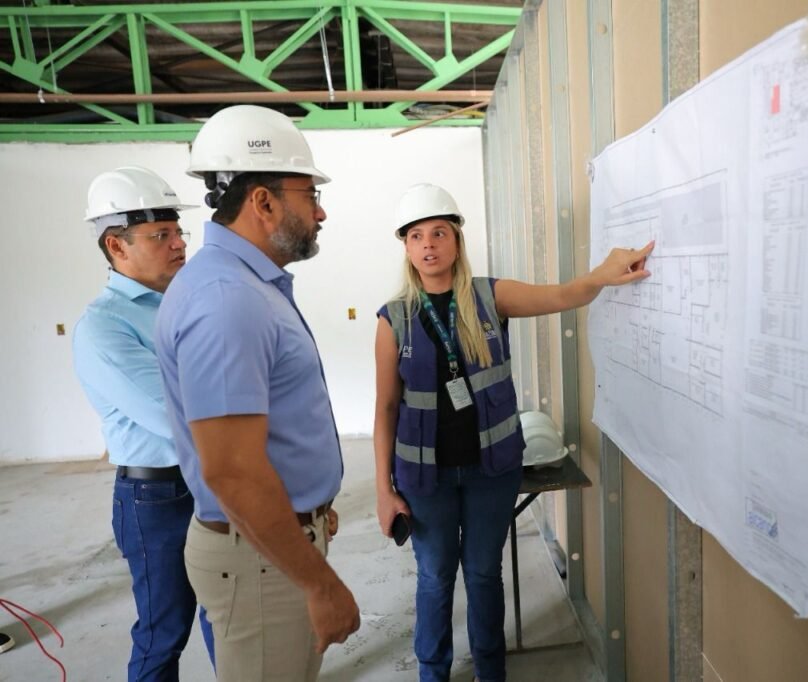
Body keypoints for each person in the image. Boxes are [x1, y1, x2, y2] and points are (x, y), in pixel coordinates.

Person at [373, 183, 654, 682]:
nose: (428, 244)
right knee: (436, 579)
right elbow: (387, 407)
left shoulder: (491, 296)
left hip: (490, 470)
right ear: (406, 248)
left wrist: (603, 274)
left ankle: (490, 672)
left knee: (483, 574)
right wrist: (382, 489)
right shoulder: (394, 319)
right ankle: (432, 672)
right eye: (416, 236)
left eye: (439, 232)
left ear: (457, 241)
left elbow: (562, 295)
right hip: (425, 478)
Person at [154, 104, 359, 682]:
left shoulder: (243, 284)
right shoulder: (227, 299)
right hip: (262, 563)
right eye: (307, 195)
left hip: (269, 544)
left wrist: (311, 506)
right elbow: (233, 471)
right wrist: (319, 582)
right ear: (263, 201)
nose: (320, 212)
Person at [72, 166, 215, 680]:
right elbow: (171, 414)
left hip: (209, 480)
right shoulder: (103, 327)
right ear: (117, 245)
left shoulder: (182, 302)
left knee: (230, 615)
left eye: (178, 232)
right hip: (158, 499)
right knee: (164, 631)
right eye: (161, 235)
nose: (179, 244)